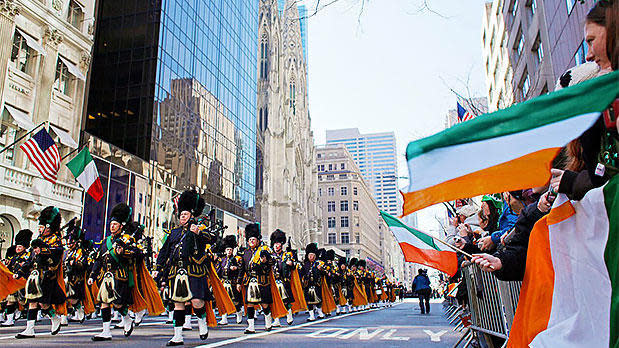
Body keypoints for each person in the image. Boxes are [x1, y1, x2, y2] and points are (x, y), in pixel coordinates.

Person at [154, 190, 212, 346]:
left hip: (194, 270)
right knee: (178, 304)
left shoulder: (199, 229)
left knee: (197, 301)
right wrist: (158, 267)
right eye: (181, 215)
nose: (182, 217)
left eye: (185, 214)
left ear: (191, 215)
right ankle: (177, 336)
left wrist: (199, 232)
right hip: (177, 272)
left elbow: (211, 239)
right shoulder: (174, 233)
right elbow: (164, 251)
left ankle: (202, 320)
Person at [88, 203, 140, 341]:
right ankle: (106, 331)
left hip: (121, 276)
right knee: (104, 302)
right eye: (111, 224)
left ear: (121, 226)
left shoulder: (128, 239)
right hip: (107, 276)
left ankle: (127, 319)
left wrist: (124, 252)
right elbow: (99, 260)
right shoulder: (106, 241)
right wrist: (93, 275)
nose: (112, 226)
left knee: (118, 304)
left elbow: (136, 253)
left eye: (115, 224)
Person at [14, 207, 66, 339]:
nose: (39, 229)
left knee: (43, 303)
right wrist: (21, 271)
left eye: (42, 226)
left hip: (48, 276)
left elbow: (56, 255)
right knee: (32, 301)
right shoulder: (38, 239)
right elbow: (31, 259)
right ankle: (29, 329)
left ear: (48, 227)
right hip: (35, 275)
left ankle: (54, 317)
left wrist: (42, 250)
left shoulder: (55, 239)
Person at [237, 223, 274, 334]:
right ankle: (251, 326)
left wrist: (265, 261)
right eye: (250, 240)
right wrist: (239, 282)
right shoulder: (246, 253)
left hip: (262, 281)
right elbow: (242, 269)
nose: (252, 241)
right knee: (250, 303)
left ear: (258, 240)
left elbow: (272, 262)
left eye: (254, 239)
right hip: (250, 281)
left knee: (264, 304)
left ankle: (268, 320)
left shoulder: (264, 251)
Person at [1, 229, 32, 327]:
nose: (17, 248)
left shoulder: (28, 256)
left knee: (25, 301)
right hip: (14, 281)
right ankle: (10, 320)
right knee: (11, 299)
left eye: (20, 246)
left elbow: (26, 267)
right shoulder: (14, 257)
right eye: (17, 246)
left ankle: (35, 315)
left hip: (23, 281)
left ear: (24, 247)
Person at [270, 229, 295, 326]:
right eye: (275, 243)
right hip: (273, 281)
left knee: (285, 300)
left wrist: (291, 263)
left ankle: (289, 315)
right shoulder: (271, 255)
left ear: (282, 244)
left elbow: (294, 265)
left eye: (278, 243)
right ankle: (276, 319)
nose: (276, 246)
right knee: (274, 301)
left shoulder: (287, 255)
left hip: (284, 281)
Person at [217, 235, 243, 325]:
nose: (229, 251)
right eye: (228, 250)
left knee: (235, 301)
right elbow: (219, 271)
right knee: (224, 301)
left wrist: (236, 269)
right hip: (224, 282)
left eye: (231, 250)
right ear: (225, 250)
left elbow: (241, 270)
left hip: (233, 282)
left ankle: (239, 313)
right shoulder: (222, 260)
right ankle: (224, 318)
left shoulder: (236, 259)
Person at [301, 243, 323, 321]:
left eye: (313, 255)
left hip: (316, 284)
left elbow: (324, 273)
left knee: (318, 299)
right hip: (308, 285)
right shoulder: (305, 264)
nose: (311, 257)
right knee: (309, 300)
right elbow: (301, 274)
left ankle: (320, 313)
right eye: (310, 255)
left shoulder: (319, 264)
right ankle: (311, 315)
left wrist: (321, 269)